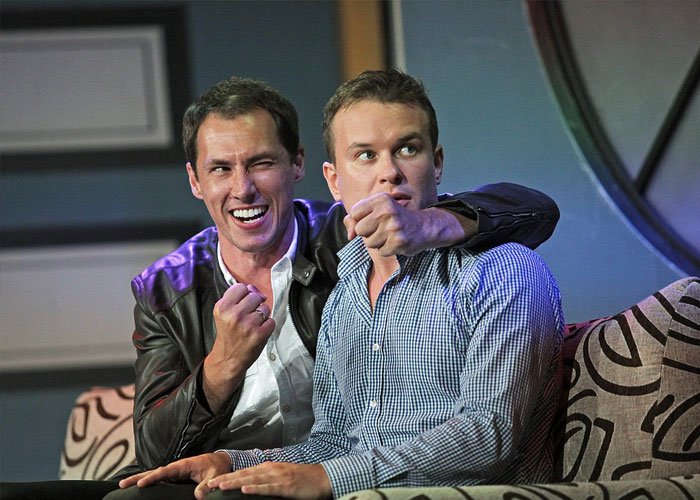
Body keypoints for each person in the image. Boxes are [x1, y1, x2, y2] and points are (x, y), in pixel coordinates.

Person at [0, 74, 557, 500]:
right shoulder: (170, 287)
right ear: (195, 181)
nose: (243, 188)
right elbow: (158, 447)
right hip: (281, 474)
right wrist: (223, 379)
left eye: (261, 163)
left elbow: (535, 209)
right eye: (221, 168)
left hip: (332, 480)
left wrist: (435, 224)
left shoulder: (345, 242)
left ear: (298, 166)